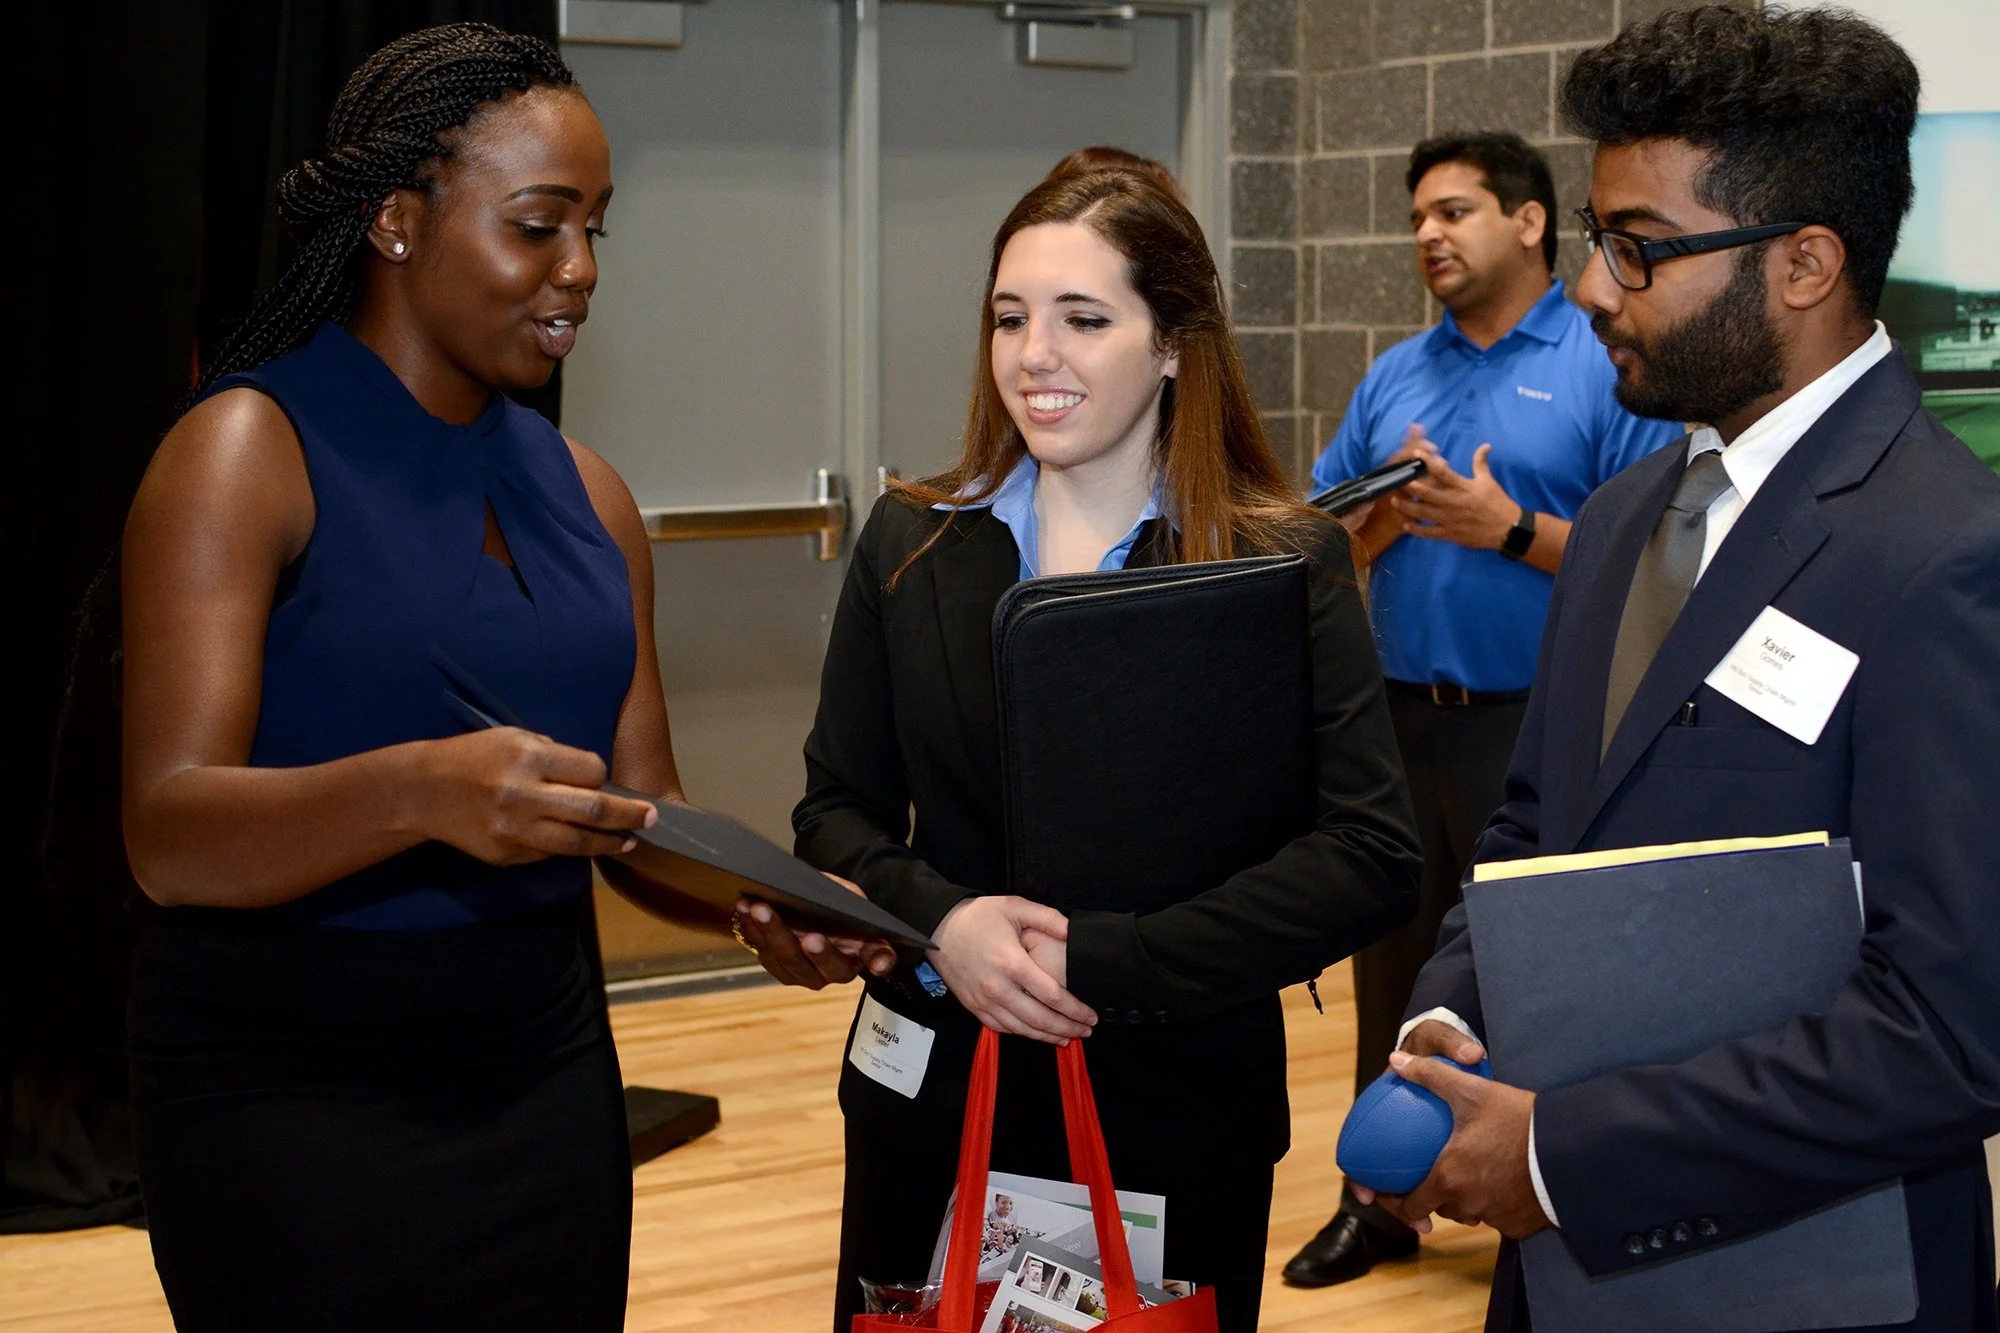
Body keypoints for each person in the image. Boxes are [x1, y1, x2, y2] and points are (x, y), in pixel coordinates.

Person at [1361, 8, 2000, 1330]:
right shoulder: (1622, 512)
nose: (1595, 289)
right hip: (1564, 1284)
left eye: (1639, 250)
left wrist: (1556, 1154)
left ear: (1807, 266)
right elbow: (1537, 828)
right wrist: (1446, 1023)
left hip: (1814, 1281)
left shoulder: (1949, 553)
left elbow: (1950, 1029)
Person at [748, 165, 1421, 1333]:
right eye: (1010, 318)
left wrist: (1104, 961)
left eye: (1083, 319)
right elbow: (837, 811)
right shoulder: (914, 540)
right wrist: (945, 924)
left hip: (1169, 1104)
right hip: (933, 1096)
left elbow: (1366, 853)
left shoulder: (1277, 562)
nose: (1033, 355)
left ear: (1172, 343)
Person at [120, 23, 696, 1329]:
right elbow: (167, 831)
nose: (581, 271)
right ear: (396, 220)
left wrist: (774, 904)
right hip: (292, 1086)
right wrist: (421, 792)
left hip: (541, 1069)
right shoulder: (246, 453)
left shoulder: (589, 493)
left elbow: (647, 813)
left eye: (597, 228)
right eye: (539, 226)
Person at [1284, 132, 1679, 1287]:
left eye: (1453, 211)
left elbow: (1654, 569)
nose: (1427, 236)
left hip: (1544, 728)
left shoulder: (1609, 361)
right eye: (1417, 216)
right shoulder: (1394, 373)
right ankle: (1378, 1200)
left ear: (1527, 223)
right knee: (1395, 974)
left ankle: (1533, 1212)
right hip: (1400, 718)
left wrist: (1499, 525)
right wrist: (1383, 521)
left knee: (1533, 982)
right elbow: (1322, 540)